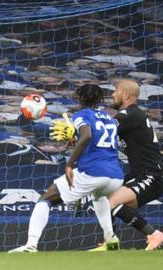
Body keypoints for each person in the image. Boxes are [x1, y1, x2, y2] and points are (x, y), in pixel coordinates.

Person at [8, 84, 123, 253]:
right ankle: (111, 239)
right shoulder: (109, 118)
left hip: (94, 172)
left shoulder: (80, 115)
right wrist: (75, 142)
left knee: (46, 198)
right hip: (116, 174)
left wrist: (69, 163)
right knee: (99, 197)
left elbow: (88, 135)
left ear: (81, 97)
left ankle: (31, 245)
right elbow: (97, 142)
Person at [92, 79, 163, 251]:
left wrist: (76, 132)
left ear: (125, 94)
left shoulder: (129, 115)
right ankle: (109, 244)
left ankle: (154, 234)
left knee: (109, 202)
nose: (112, 94)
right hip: (140, 174)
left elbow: (103, 131)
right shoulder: (133, 115)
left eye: (115, 91)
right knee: (103, 199)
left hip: (151, 176)